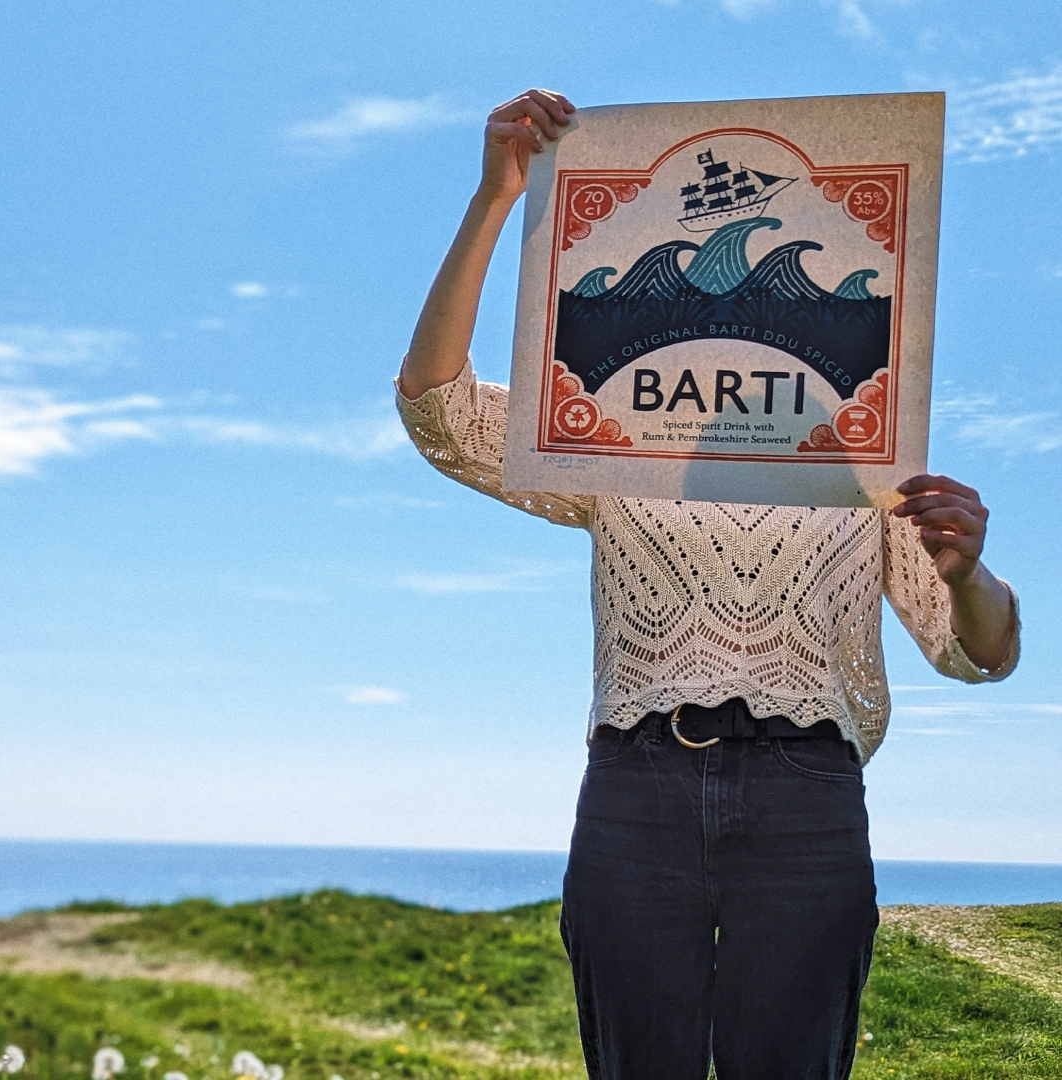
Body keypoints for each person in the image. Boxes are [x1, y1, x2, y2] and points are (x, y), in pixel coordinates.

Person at [395, 89, 1020, 1080]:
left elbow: (979, 648)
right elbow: (439, 412)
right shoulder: (608, 441)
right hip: (635, 786)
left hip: (806, 795)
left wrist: (967, 567)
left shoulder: (869, 457)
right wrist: (497, 195)